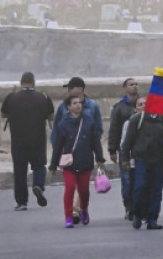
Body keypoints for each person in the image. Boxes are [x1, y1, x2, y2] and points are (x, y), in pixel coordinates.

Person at [48, 94, 106, 228]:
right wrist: (53, 165)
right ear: (68, 106)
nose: (78, 105)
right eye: (74, 103)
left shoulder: (89, 120)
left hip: (85, 161)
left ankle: (83, 210)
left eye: (79, 103)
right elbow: (58, 146)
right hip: (69, 163)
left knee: (84, 191)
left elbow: (95, 141)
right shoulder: (63, 124)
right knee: (69, 188)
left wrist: (99, 158)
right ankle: (68, 216)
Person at [2, 72, 54, 211]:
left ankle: (22, 202)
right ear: (34, 82)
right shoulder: (43, 97)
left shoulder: (12, 97)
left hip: (18, 141)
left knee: (19, 171)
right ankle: (38, 185)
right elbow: (50, 116)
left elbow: (3, 114)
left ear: (21, 82)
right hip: (37, 140)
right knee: (39, 166)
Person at [120, 96, 163, 230]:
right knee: (140, 187)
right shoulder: (137, 120)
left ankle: (152, 219)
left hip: (158, 160)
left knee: (156, 191)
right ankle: (137, 214)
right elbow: (128, 141)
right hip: (141, 160)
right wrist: (124, 159)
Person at [108, 77, 138, 219]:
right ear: (125, 88)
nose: (135, 87)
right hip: (125, 150)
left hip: (142, 149)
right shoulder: (119, 108)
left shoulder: (144, 104)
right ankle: (128, 206)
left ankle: (139, 206)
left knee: (141, 179)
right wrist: (112, 149)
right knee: (127, 180)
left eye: (136, 84)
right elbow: (114, 129)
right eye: (131, 84)